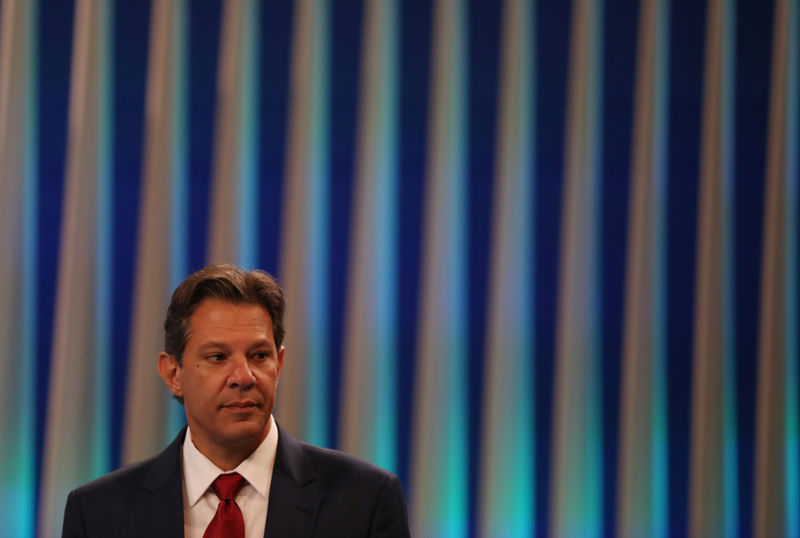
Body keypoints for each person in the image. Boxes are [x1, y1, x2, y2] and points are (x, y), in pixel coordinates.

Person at [62, 264, 410, 537]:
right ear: (173, 374)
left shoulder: (366, 501)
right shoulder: (98, 514)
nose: (243, 376)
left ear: (280, 364)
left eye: (259, 355)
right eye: (217, 357)